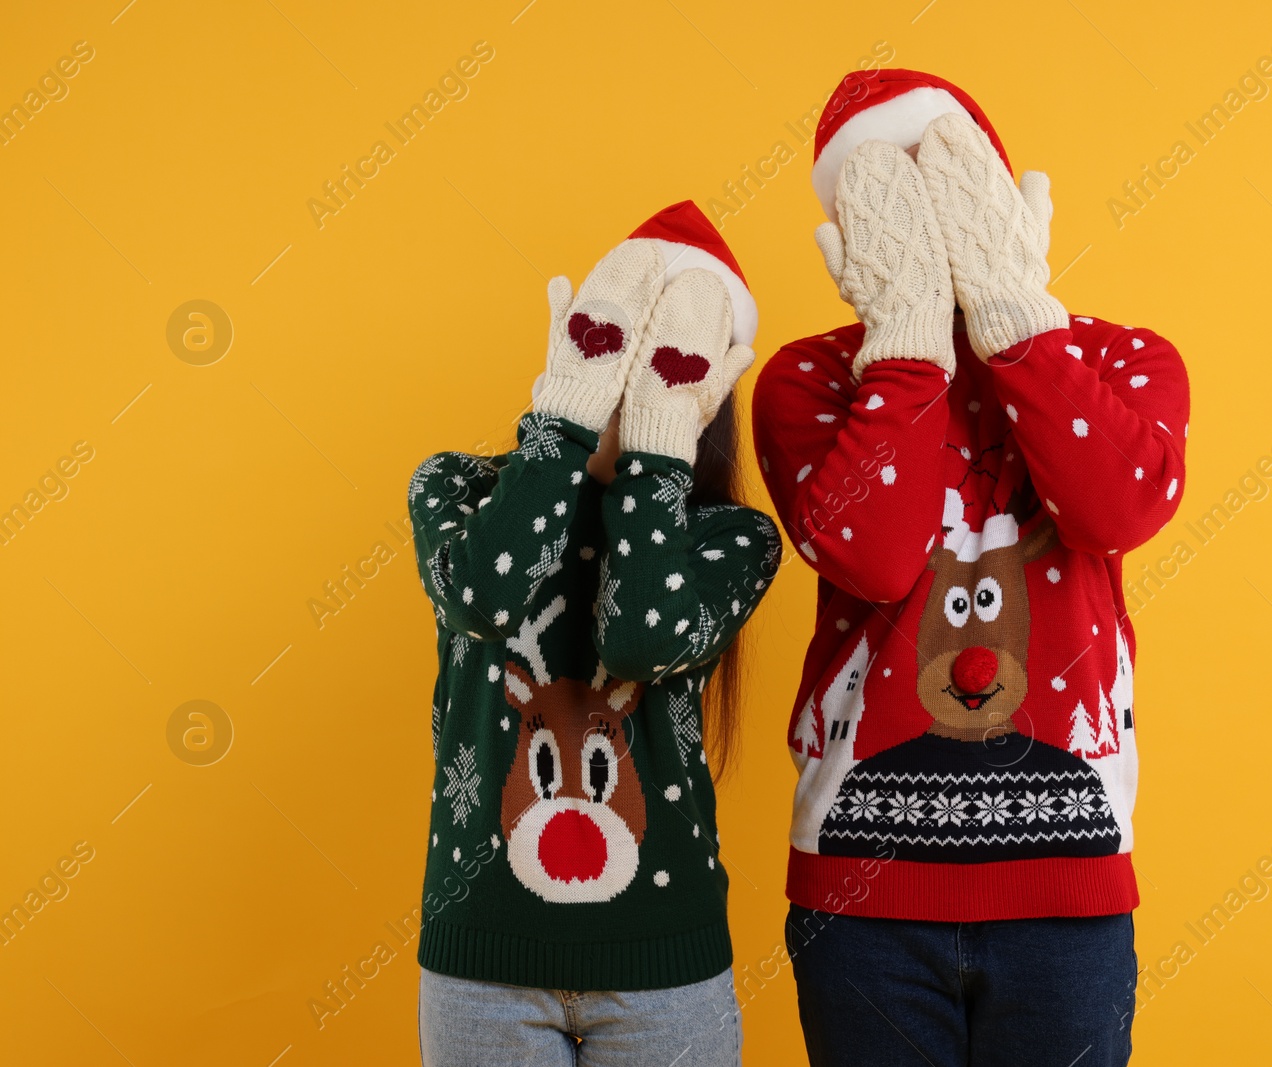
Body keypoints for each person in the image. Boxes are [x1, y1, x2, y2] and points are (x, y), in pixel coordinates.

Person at [752, 70, 1191, 1066]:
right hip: (862, 893)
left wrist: (1008, 312)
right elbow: (872, 554)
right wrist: (905, 339)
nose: (928, 221)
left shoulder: (1121, 359)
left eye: (949, 188)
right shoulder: (809, 378)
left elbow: (1118, 506)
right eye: (890, 202)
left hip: (1068, 884)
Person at [409, 201, 780, 1066]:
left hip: (666, 972)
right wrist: (565, 419)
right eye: (614, 353)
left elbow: (642, 640)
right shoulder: (456, 489)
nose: (629, 388)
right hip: (482, 963)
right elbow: (489, 596)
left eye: (664, 370)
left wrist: (658, 445)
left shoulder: (729, 538)